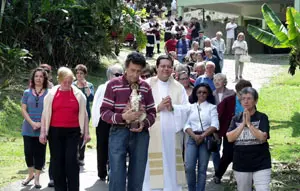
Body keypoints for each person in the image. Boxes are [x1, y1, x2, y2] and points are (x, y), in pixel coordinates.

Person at [100, 52, 156, 191]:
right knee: (117, 175)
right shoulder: (113, 85)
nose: (135, 75)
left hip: (141, 133)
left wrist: (144, 123)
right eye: (132, 70)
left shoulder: (145, 87)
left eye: (139, 71)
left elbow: (153, 113)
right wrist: (123, 117)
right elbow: (104, 112)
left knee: (137, 175)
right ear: (126, 68)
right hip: (118, 131)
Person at [39, 67, 91, 191]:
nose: (67, 84)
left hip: (73, 132)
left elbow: (84, 114)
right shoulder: (51, 94)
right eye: (64, 81)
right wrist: (43, 132)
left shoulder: (79, 94)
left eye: (69, 81)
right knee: (57, 162)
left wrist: (87, 133)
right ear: (59, 80)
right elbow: (45, 114)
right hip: (55, 132)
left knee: (71, 162)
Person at [143, 55, 189, 191]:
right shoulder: (146, 84)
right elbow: (138, 108)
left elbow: (187, 109)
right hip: (150, 135)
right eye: (163, 66)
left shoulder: (178, 87)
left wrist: (173, 108)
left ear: (173, 69)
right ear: (156, 67)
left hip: (171, 137)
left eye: (169, 66)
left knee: (170, 166)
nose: (166, 69)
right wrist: (158, 107)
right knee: (149, 167)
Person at [174, 83, 219, 191]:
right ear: (195, 93)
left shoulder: (212, 107)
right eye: (199, 92)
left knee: (202, 169)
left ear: (208, 94)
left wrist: (202, 136)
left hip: (206, 138)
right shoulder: (191, 107)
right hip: (192, 138)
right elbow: (186, 124)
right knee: (189, 167)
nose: (202, 94)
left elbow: (215, 125)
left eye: (204, 92)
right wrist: (194, 136)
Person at [227, 87, 271, 191]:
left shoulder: (262, 117)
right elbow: (229, 138)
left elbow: (262, 137)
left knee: (263, 189)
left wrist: (249, 124)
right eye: (243, 99)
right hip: (241, 163)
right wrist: (242, 124)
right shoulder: (236, 119)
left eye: (249, 98)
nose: (246, 101)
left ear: (255, 101)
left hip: (261, 163)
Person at [214, 79, 252, 184]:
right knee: (228, 155)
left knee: (243, 154)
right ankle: (218, 175)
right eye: (242, 93)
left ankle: (239, 178)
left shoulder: (250, 102)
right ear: (237, 91)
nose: (245, 96)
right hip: (230, 131)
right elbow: (218, 114)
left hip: (245, 132)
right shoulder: (229, 101)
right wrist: (217, 131)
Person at [91, 64, 124, 181]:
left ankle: (113, 171)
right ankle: (102, 172)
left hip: (118, 120)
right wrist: (95, 121)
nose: (119, 76)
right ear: (109, 76)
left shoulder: (124, 87)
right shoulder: (102, 87)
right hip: (103, 121)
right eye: (117, 74)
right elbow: (95, 105)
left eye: (121, 74)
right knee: (102, 147)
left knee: (115, 147)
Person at [21, 68, 48, 189]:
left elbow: (49, 111)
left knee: (40, 153)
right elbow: (23, 109)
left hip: (42, 128)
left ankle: (37, 177)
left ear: (44, 78)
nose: (38, 78)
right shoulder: (27, 92)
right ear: (33, 78)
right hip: (28, 127)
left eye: (41, 76)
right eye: (36, 76)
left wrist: (41, 124)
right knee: (28, 152)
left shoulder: (49, 93)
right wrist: (32, 123)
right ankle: (30, 174)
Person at [211, 74, 235, 182]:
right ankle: (217, 171)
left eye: (219, 80)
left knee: (227, 152)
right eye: (215, 80)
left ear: (224, 82)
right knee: (215, 150)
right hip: (215, 126)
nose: (216, 82)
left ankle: (219, 173)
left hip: (228, 126)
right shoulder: (211, 95)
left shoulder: (231, 93)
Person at [73, 64, 94, 166]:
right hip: (73, 113)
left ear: (85, 74)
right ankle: (74, 155)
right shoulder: (72, 85)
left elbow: (91, 98)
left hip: (85, 113)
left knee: (83, 134)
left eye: (81, 73)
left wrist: (86, 87)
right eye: (77, 73)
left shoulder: (89, 85)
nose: (79, 75)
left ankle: (81, 156)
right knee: (74, 134)